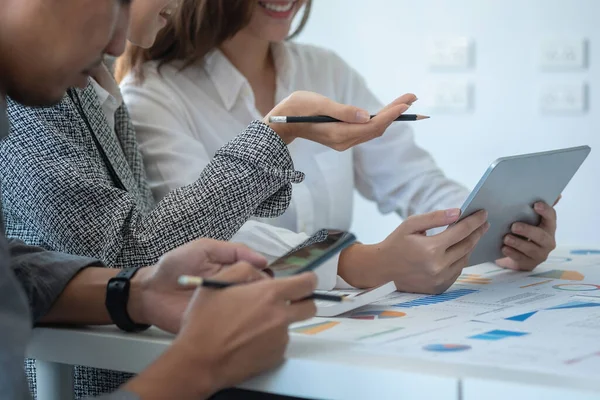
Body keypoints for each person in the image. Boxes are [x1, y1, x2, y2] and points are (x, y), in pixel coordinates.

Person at [117, 0, 558, 292]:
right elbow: (190, 232)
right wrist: (359, 263)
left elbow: (412, 179)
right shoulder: (152, 93)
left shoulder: (325, 69)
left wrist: (493, 230)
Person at [0, 0, 319, 399]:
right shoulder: (42, 96)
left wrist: (136, 292)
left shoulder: (82, 82)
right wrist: (198, 366)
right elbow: (124, 246)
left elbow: (13, 270)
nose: (117, 44)